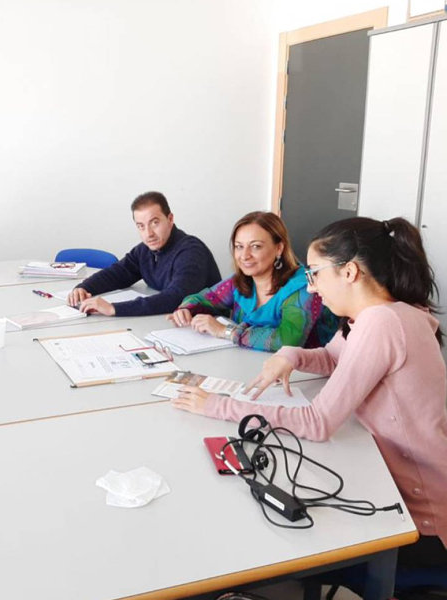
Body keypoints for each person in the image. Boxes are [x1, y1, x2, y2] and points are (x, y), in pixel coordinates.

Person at [172, 216, 447, 569]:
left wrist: (220, 406)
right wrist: (291, 355)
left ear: (348, 273)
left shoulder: (381, 323)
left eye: (315, 273)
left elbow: (317, 423)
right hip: (385, 476)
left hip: (416, 521)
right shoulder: (374, 314)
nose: (312, 287)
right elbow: (333, 357)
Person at [169, 211, 338, 351]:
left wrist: (226, 331)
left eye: (256, 246)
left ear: (279, 248)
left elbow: (287, 341)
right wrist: (186, 309)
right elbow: (201, 299)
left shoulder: (303, 287)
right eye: (239, 246)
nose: (245, 256)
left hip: (302, 378)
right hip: (249, 366)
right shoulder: (242, 280)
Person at [66, 191, 220, 316]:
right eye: (141, 226)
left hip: (209, 328)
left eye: (154, 223)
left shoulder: (191, 252)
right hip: (173, 321)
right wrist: (84, 288)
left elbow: (176, 298)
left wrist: (114, 309)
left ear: (170, 219)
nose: (148, 233)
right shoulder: (145, 250)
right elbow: (117, 273)